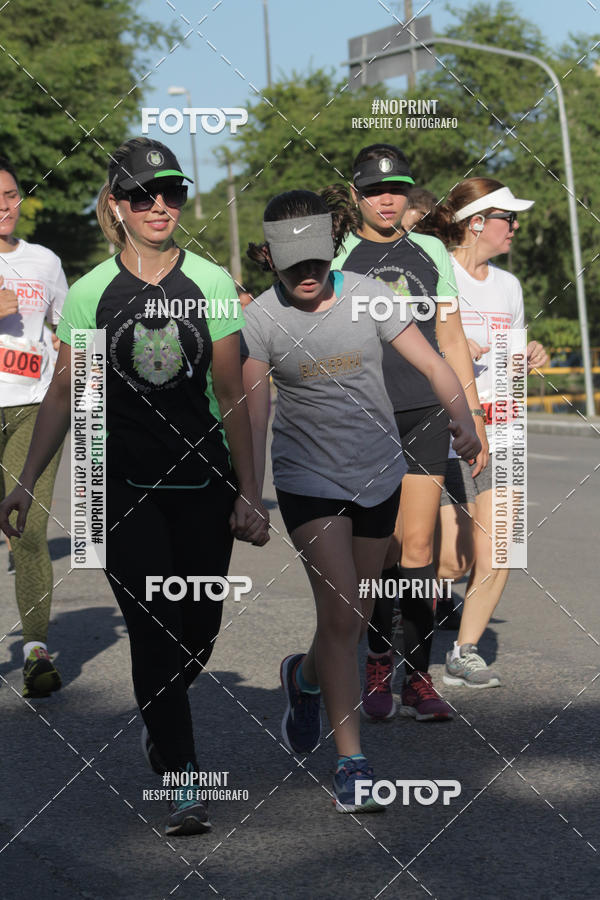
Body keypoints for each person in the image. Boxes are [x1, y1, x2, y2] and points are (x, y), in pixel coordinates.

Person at [0, 137, 269, 836]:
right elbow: (63, 390)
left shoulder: (209, 282)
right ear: (117, 205)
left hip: (205, 481)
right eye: (143, 195)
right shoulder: (91, 292)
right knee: (154, 632)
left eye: (171, 193)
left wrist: (249, 489)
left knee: (197, 633)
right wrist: (25, 481)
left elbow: (231, 386)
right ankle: (181, 776)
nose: (160, 207)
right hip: (121, 488)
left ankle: (160, 717)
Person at [241, 189, 480, 812]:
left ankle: (305, 676)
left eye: (318, 261)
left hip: (378, 475)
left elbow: (432, 362)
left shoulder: (373, 295)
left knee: (348, 617)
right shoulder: (262, 319)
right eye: (294, 267)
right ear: (270, 259)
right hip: (307, 482)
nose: (309, 275)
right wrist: (250, 493)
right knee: (346, 614)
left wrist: (463, 417)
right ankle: (352, 761)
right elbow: (254, 412)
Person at [329, 144, 488, 723]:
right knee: (379, 551)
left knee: (419, 547)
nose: (387, 198)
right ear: (356, 195)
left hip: (423, 411)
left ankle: (417, 676)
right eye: (374, 190)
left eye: (396, 188)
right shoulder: (338, 254)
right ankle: (376, 659)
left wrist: (469, 419)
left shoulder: (427, 252)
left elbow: (450, 340)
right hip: (363, 416)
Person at [422, 177, 548, 686]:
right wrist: (451, 349)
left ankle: (463, 652)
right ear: (477, 223)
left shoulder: (509, 286)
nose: (515, 226)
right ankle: (397, 632)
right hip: (447, 428)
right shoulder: (436, 271)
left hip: (505, 428)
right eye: (507, 218)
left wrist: (529, 354)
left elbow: (511, 361)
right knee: (450, 561)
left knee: (504, 547)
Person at [0, 156, 68, 698]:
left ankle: (36, 650)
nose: (4, 205)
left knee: (26, 530)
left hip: (33, 407)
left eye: (11, 194)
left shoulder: (44, 261)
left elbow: (69, 333)